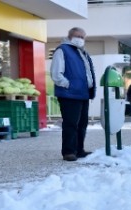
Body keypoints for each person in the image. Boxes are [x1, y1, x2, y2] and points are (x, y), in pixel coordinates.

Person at [50, 27, 96, 161]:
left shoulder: (82, 53)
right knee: (71, 123)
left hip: (83, 94)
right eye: (77, 36)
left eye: (82, 37)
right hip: (69, 94)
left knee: (82, 124)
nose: (80, 39)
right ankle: (69, 151)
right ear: (70, 36)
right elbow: (56, 73)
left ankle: (79, 149)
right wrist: (68, 84)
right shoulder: (62, 50)